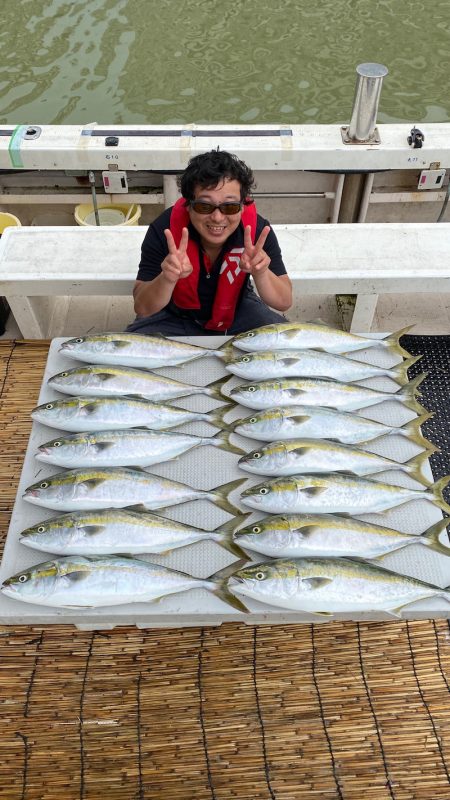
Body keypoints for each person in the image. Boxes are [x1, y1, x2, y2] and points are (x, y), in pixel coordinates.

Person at [127, 149, 292, 336]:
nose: (217, 217)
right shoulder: (164, 231)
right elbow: (142, 307)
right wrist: (167, 278)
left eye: (229, 206)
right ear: (188, 204)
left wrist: (261, 272)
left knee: (289, 340)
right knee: (124, 353)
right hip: (172, 315)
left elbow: (284, 301)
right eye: (204, 206)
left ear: (242, 205)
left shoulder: (257, 232)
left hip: (239, 310)